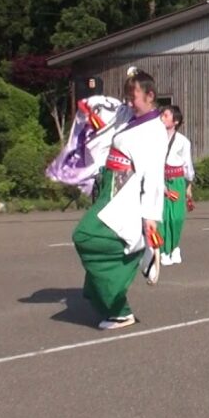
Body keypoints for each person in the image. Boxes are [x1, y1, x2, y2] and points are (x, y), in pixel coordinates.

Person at [71, 67, 168, 330]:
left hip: (124, 193)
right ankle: (110, 296)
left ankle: (120, 305)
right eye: (127, 95)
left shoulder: (155, 130)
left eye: (133, 96)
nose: (128, 101)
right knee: (102, 240)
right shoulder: (129, 117)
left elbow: (154, 177)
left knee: (86, 235)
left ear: (150, 95)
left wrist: (150, 220)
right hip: (109, 186)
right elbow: (109, 109)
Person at [160, 105, 195, 266]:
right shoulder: (155, 139)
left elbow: (188, 165)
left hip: (177, 181)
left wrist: (189, 185)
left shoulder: (183, 141)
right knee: (162, 217)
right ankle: (163, 251)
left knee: (177, 217)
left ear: (175, 121)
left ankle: (174, 247)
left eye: (166, 116)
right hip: (160, 180)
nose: (162, 118)